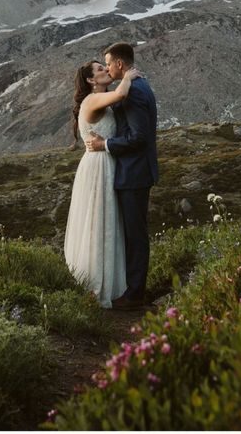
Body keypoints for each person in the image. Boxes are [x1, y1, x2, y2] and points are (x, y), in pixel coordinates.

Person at [86, 42, 158, 309]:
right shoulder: (137, 86)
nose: (106, 67)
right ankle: (130, 288)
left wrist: (104, 145)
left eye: (108, 62)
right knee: (131, 232)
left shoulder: (134, 92)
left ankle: (135, 295)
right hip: (132, 172)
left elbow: (138, 137)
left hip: (134, 174)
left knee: (135, 235)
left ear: (119, 64)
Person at [64, 59, 140, 308]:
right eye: (100, 70)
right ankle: (94, 285)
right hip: (98, 166)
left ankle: (109, 282)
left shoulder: (99, 101)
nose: (106, 70)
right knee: (97, 220)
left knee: (107, 221)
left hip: (105, 163)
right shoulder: (92, 100)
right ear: (90, 80)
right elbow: (120, 93)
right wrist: (127, 75)